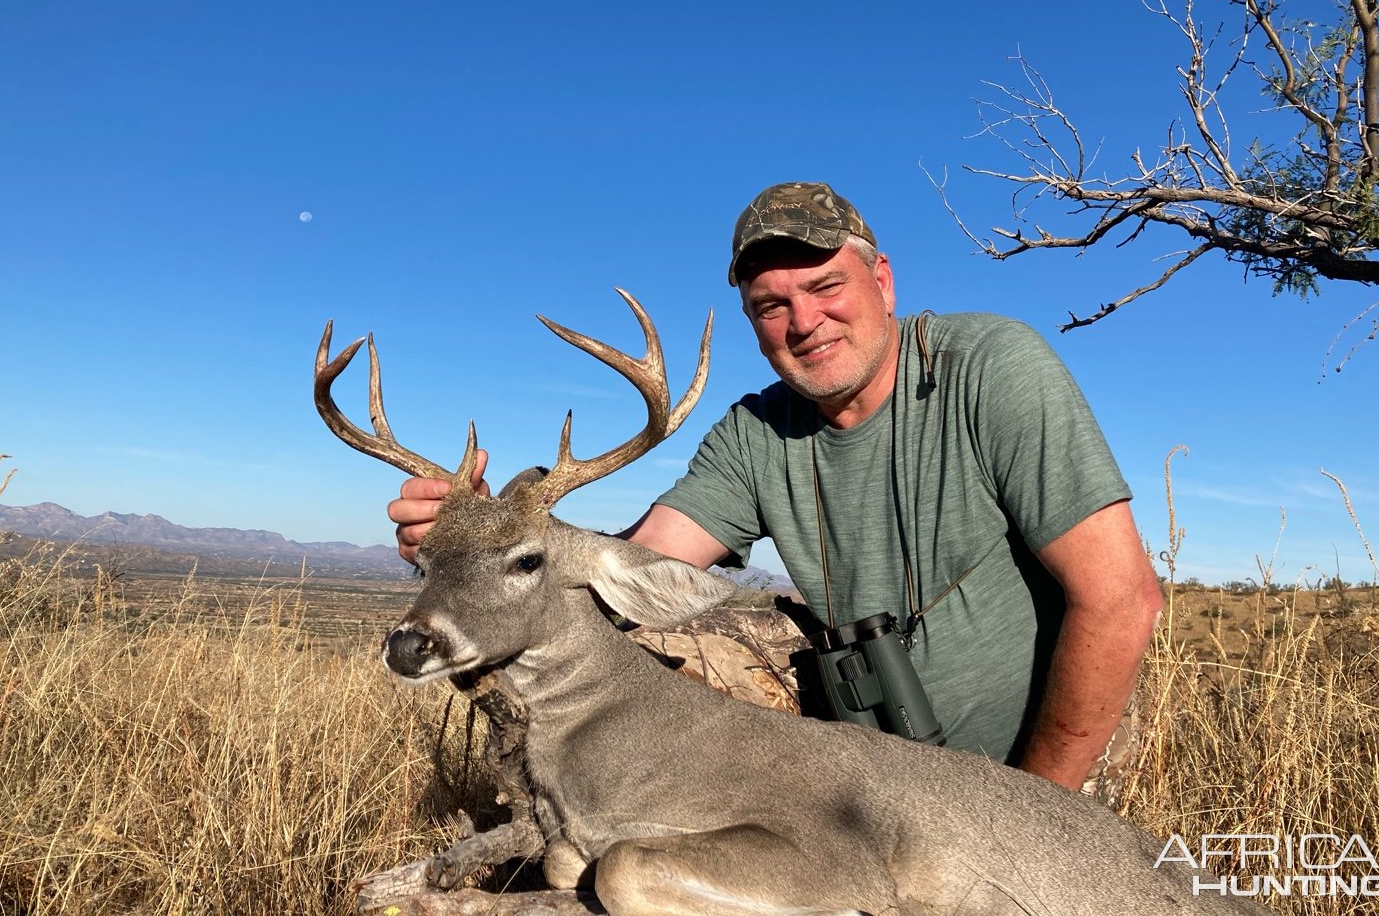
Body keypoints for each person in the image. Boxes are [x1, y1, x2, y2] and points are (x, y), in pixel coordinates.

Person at [389, 181, 1163, 792]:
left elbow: (1121, 599)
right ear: (753, 323)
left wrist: (1035, 812)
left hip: (1050, 761)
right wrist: (480, 549)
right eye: (771, 305)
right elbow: (629, 571)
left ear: (883, 281)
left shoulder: (992, 368)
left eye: (826, 286)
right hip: (872, 762)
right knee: (645, 641)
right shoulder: (757, 431)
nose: (805, 321)